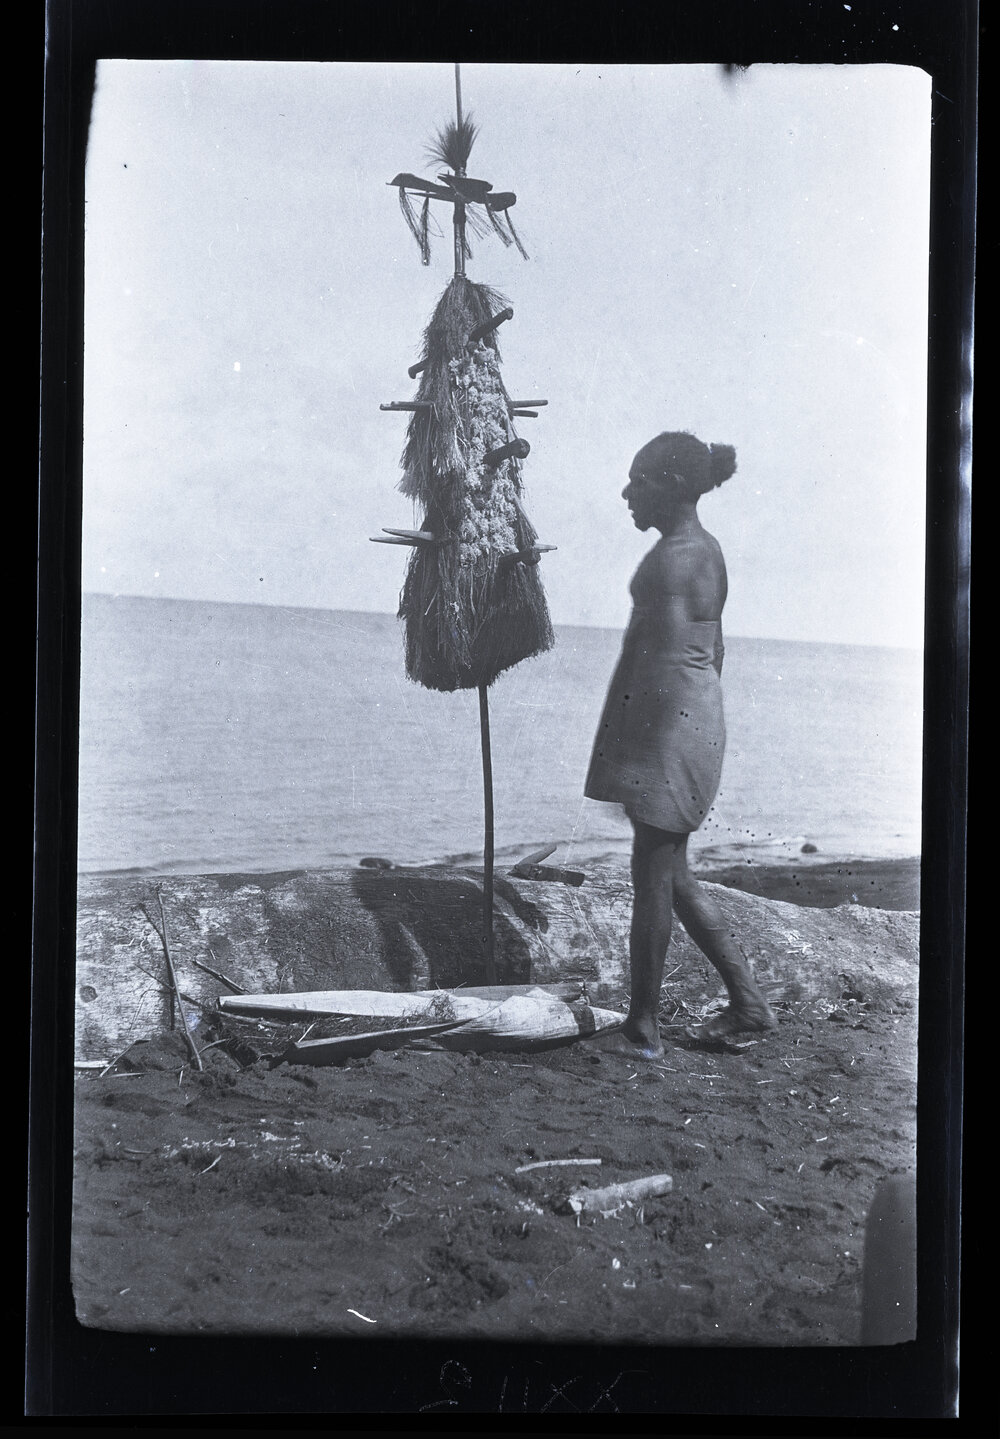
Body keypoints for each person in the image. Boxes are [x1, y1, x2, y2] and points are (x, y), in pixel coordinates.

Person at [585, 431, 776, 1058]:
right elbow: (710, 653)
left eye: (637, 480)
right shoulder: (702, 550)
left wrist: (631, 762)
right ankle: (749, 1005)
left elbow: (657, 668)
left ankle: (642, 1028)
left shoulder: (675, 558)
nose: (626, 492)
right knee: (675, 874)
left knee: (652, 876)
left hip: (670, 730)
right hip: (691, 721)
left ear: (669, 486)